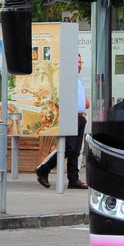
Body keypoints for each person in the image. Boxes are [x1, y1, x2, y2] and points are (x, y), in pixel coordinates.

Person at [35, 53, 89, 189]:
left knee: (76, 151)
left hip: (80, 117)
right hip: (71, 116)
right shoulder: (65, 79)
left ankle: (73, 179)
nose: (79, 64)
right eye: (77, 61)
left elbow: (82, 98)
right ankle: (44, 169)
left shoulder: (78, 80)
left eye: (81, 62)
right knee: (68, 148)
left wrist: (84, 104)